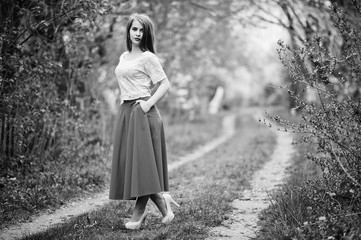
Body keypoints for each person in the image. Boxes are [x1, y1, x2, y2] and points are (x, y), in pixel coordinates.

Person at [109, 13, 179, 230]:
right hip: (127, 111)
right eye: (134, 29)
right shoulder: (123, 57)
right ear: (128, 31)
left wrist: (147, 104)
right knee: (133, 163)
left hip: (144, 112)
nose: (137, 33)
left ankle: (138, 215)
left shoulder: (148, 58)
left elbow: (165, 84)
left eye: (141, 30)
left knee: (143, 165)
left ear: (146, 33)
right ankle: (162, 201)